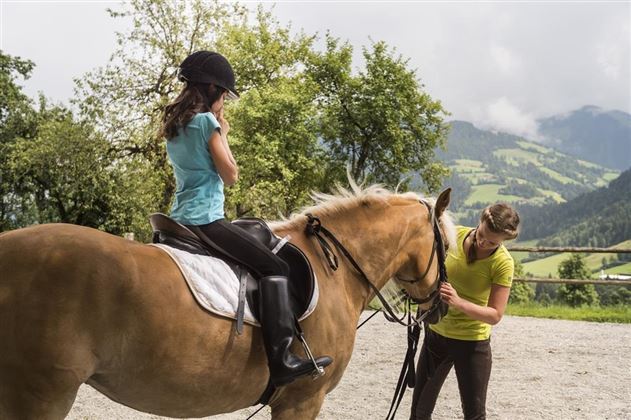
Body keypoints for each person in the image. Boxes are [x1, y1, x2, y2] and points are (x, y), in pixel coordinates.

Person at [159, 51, 331, 386]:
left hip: (179, 215)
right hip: (205, 218)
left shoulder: (174, 125)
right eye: (224, 94)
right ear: (212, 89)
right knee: (276, 267)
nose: (225, 100)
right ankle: (282, 360)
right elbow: (231, 174)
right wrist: (221, 131)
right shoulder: (206, 122)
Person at [409, 203, 520, 420]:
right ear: (479, 222)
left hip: (472, 344)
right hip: (436, 335)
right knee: (418, 413)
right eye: (482, 235)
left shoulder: (503, 263)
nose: (483, 242)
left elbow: (495, 314)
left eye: (492, 242)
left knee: (474, 415)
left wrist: (458, 302)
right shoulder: (454, 235)